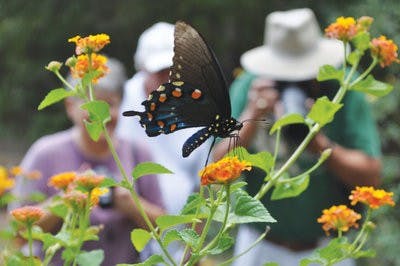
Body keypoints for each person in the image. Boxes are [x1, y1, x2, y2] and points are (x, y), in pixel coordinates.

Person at [213, 8, 381, 266]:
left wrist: (320, 145)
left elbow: (371, 174)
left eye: (304, 76)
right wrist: (252, 116)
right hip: (260, 244)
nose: (294, 84)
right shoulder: (250, 87)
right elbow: (216, 169)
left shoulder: (344, 86)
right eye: (285, 76)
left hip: (326, 249)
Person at [10, 57, 165, 265]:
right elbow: (17, 232)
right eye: (91, 105)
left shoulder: (138, 153)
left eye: (109, 104)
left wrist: (128, 202)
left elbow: (163, 226)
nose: (100, 115)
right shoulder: (45, 153)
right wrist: (66, 200)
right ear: (69, 106)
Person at [117, 22, 212, 215]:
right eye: (160, 73)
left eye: (174, 71)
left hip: (179, 231)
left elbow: (200, 185)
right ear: (142, 68)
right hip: (127, 225)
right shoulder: (117, 102)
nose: (169, 80)